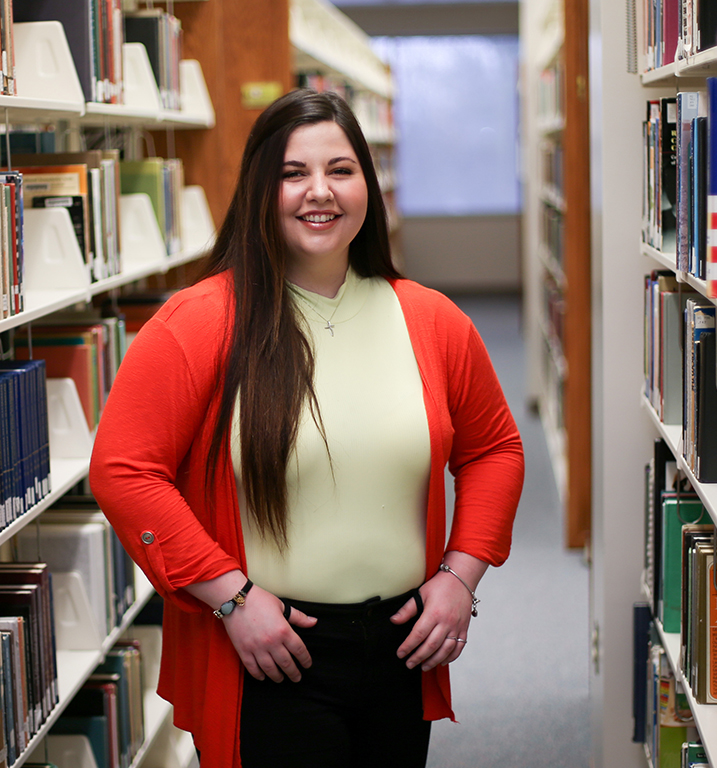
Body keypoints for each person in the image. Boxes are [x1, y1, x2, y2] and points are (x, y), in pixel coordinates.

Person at [89, 88, 525, 768]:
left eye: (341, 170)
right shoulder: (199, 322)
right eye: (294, 173)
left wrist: (460, 577)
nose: (319, 192)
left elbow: (494, 447)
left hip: (403, 645)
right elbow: (122, 470)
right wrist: (231, 598)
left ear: (368, 187)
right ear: (261, 187)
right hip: (268, 647)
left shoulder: (432, 320)